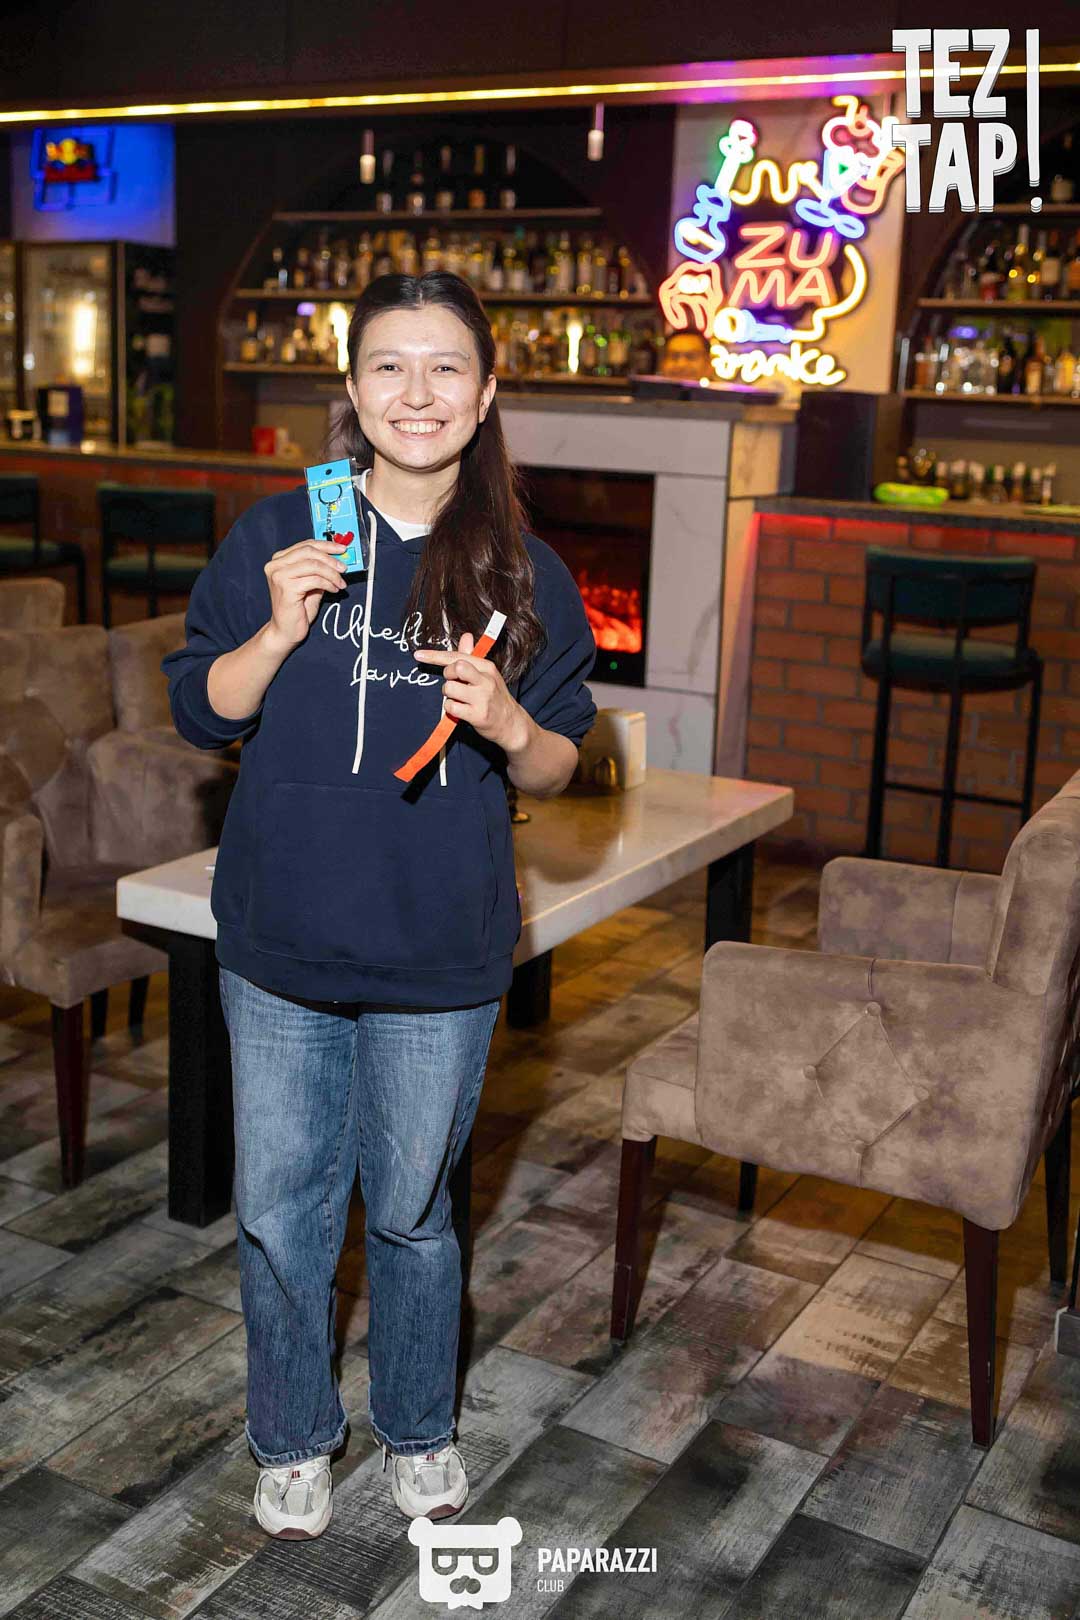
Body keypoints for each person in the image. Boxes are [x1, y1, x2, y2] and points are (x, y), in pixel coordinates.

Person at [162, 271, 597, 1538]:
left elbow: (560, 765)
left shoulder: (524, 567)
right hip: (281, 934)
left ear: (487, 393)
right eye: (389, 366)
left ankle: (419, 1425)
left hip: (438, 943)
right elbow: (200, 709)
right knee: (279, 1211)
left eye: (446, 366)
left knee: (411, 1211)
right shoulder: (281, 533)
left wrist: (508, 721)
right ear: (351, 389)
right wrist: (276, 631)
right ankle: (293, 1436)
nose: (417, 392)